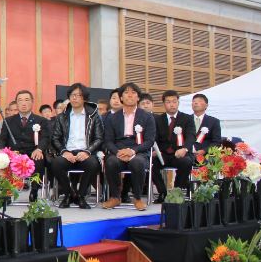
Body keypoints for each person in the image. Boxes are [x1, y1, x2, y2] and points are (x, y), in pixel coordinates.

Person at [101, 82, 156, 211]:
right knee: (110, 162)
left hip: (139, 151)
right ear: (121, 98)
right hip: (118, 151)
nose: (130, 95)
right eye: (126, 92)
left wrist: (132, 151)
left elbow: (149, 141)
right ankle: (115, 197)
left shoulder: (147, 117)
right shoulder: (112, 118)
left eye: (133, 93)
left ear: (138, 98)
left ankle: (137, 198)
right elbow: (108, 141)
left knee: (137, 162)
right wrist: (118, 152)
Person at [50, 83, 103, 209]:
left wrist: (87, 152)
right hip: (68, 152)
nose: (75, 98)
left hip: (86, 152)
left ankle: (81, 195)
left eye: (78, 95)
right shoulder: (62, 116)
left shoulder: (94, 116)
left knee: (93, 164)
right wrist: (64, 152)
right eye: (72, 95)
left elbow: (99, 138)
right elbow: (55, 138)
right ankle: (68, 194)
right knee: (56, 163)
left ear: (84, 98)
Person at [0, 90, 50, 201]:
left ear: (32, 102)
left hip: (33, 152)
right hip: (14, 153)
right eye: (20, 100)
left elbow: (45, 138)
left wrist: (39, 149)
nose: (23, 103)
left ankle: (34, 191)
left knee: (39, 159)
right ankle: (6, 192)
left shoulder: (41, 121)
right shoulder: (9, 121)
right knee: (2, 159)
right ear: (16, 103)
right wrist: (0, 149)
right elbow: (2, 138)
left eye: (27, 100)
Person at [152, 90, 195, 202]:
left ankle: (177, 191)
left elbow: (191, 136)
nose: (172, 104)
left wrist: (185, 149)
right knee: (151, 163)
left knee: (186, 162)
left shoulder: (187, 118)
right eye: (168, 102)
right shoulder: (158, 120)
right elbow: (154, 137)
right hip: (163, 154)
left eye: (174, 101)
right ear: (164, 104)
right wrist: (155, 150)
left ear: (178, 103)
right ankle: (162, 192)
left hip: (180, 153)